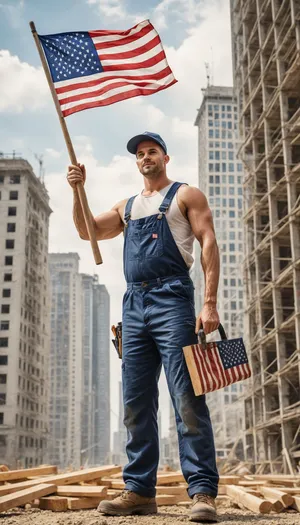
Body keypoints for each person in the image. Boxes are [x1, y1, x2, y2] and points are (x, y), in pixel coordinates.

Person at [67, 131, 220, 523]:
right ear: (136, 162)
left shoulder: (187, 196)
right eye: (140, 153)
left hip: (173, 300)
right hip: (134, 304)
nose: (145, 157)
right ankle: (138, 491)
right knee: (135, 401)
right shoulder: (128, 207)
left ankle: (202, 491)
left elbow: (207, 243)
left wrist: (209, 303)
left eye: (152, 151)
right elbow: (88, 230)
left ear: (165, 158)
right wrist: (77, 190)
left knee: (187, 397)